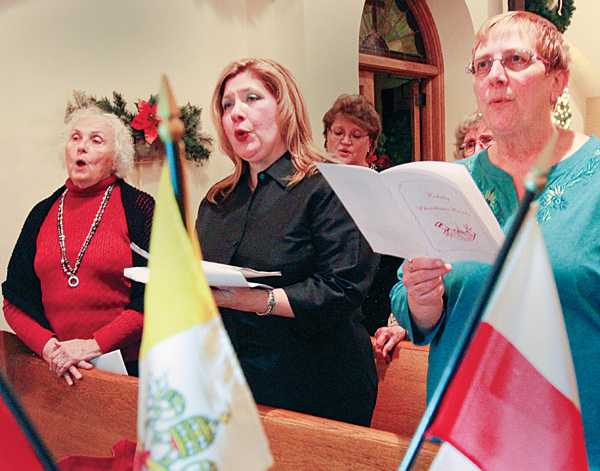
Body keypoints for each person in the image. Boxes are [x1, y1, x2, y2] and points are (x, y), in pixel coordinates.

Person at [390, 11, 600, 466]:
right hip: (468, 439)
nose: (495, 76)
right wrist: (422, 303)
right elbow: (405, 297)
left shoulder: (596, 177)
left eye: (515, 60)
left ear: (558, 81)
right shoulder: (443, 184)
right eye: (482, 65)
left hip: (577, 438)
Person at [195, 59, 379, 426]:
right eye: (227, 104)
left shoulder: (330, 185)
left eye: (251, 98)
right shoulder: (217, 201)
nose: (236, 113)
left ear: (285, 108)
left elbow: (343, 288)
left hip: (318, 384)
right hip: (239, 383)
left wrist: (255, 300)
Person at [2, 106, 154, 383]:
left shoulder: (140, 209)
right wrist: (51, 350)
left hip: (128, 373)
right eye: (75, 138)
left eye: (96, 140)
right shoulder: (41, 213)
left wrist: (92, 345)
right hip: (56, 371)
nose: (82, 147)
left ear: (115, 157)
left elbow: (160, 294)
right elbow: (14, 301)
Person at [322, 94, 407, 349]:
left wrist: (397, 321)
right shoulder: (310, 187)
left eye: (356, 135)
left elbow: (399, 259)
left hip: (372, 317)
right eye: (338, 132)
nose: (345, 141)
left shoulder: (387, 189)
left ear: (370, 144)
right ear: (326, 136)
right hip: (320, 313)